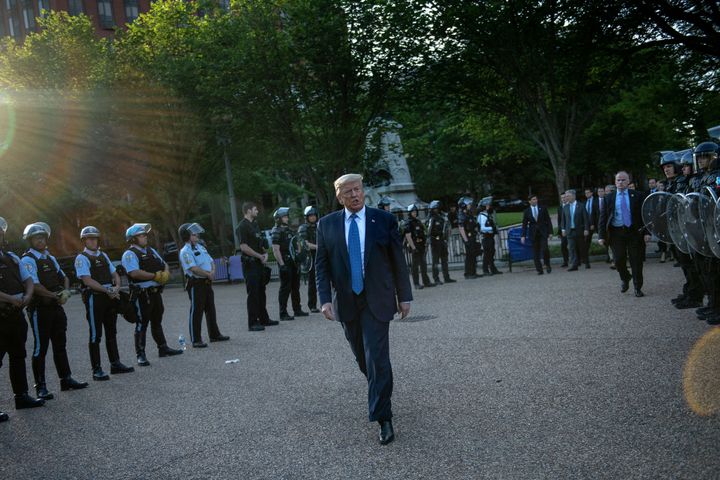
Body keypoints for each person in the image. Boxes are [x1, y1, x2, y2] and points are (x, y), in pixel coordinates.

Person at [315, 173, 412, 445]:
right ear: (339, 196)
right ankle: (382, 390)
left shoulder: (383, 220)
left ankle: (384, 418)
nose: (355, 195)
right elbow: (321, 268)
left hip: (378, 300)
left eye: (357, 190)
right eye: (348, 192)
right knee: (363, 359)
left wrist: (404, 296)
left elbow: (397, 262)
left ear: (363, 191)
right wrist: (324, 300)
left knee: (377, 358)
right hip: (347, 303)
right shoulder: (326, 225)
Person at [21, 222, 88, 399]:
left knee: (60, 345)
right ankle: (40, 387)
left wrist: (65, 291)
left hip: (56, 307)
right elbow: (34, 285)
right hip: (40, 309)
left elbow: (64, 277)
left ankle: (66, 379)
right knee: (40, 348)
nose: (40, 240)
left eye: (43, 237)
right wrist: (54, 295)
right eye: (36, 238)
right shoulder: (28, 259)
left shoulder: (49, 258)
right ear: (30, 240)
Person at [75, 226, 134, 381]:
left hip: (109, 297)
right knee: (96, 334)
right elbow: (87, 280)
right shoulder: (81, 258)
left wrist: (117, 287)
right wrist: (106, 290)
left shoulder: (103, 255)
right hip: (95, 298)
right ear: (84, 241)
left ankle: (115, 364)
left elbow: (114, 273)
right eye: (89, 238)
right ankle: (97, 370)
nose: (93, 241)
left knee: (111, 331)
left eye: (94, 238)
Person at [0, 217, 45, 420]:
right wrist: (10, 298)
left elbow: (27, 279)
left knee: (18, 357)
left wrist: (27, 296)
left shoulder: (12, 257)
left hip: (16, 315)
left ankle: (22, 396)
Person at [122, 223, 183, 366]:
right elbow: (134, 272)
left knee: (157, 321)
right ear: (132, 239)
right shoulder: (129, 254)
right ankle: (140, 354)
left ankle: (163, 348)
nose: (145, 237)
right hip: (142, 294)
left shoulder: (151, 250)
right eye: (141, 235)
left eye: (144, 235)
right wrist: (155, 276)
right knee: (141, 323)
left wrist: (166, 273)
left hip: (155, 293)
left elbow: (164, 264)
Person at [599, 171, 650, 297]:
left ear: (628, 182)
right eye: (618, 180)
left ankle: (638, 287)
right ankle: (626, 277)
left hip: (634, 233)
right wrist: (601, 236)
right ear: (615, 182)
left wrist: (647, 232)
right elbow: (603, 217)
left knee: (636, 261)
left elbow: (644, 215)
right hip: (616, 233)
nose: (620, 182)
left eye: (623, 180)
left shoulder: (638, 195)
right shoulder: (609, 198)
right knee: (618, 260)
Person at [178, 223, 229, 348]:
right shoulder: (185, 251)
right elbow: (193, 268)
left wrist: (212, 271)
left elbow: (211, 261)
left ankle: (214, 335)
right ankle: (196, 339)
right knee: (197, 311)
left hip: (207, 282)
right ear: (187, 236)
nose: (196, 235)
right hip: (196, 284)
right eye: (193, 233)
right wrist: (208, 274)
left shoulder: (200, 247)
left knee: (211, 309)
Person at [237, 202, 277, 331]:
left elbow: (259, 243)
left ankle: (264, 319)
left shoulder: (254, 225)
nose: (257, 211)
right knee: (253, 294)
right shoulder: (242, 226)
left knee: (261, 292)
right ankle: (253, 323)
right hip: (250, 264)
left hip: (259, 264)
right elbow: (243, 247)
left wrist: (264, 254)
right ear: (248, 211)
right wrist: (259, 256)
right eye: (255, 209)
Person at [272, 207, 308, 320]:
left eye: (287, 216)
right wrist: (282, 264)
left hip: (293, 262)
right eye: (285, 216)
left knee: (295, 287)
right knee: (285, 288)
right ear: (279, 218)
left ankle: (297, 309)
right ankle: (283, 313)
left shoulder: (290, 230)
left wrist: (300, 258)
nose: (287, 218)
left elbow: (296, 245)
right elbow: (275, 249)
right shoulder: (276, 231)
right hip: (285, 262)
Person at [404, 204, 434, 289]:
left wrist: (425, 243)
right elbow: (408, 236)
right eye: (413, 212)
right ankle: (416, 284)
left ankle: (426, 282)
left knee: (423, 264)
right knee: (415, 266)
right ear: (410, 213)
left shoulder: (418, 221)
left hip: (421, 245)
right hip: (415, 245)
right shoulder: (408, 223)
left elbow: (424, 233)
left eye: (415, 212)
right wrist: (413, 247)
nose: (414, 213)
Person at [521, 195, 553, 275]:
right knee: (536, 252)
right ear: (529, 201)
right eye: (533, 199)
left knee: (545, 249)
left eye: (536, 199)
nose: (535, 200)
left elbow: (548, 220)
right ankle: (539, 269)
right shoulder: (527, 211)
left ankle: (547, 264)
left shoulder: (543, 208)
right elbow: (524, 224)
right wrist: (523, 235)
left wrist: (550, 232)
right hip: (533, 234)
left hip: (543, 232)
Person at [426, 200, 455, 284]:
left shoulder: (442, 217)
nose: (437, 209)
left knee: (444, 260)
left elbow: (447, 227)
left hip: (442, 240)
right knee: (435, 261)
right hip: (435, 241)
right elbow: (429, 231)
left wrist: (446, 237)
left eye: (437, 208)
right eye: (435, 208)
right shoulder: (431, 218)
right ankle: (436, 278)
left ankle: (447, 277)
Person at [298, 206, 320, 313]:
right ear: (307, 217)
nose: (313, 217)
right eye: (310, 216)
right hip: (310, 257)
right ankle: (312, 305)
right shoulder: (303, 228)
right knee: (312, 282)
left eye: (314, 215)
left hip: (321, 255)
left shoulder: (319, 226)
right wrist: (318, 247)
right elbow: (304, 243)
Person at [561, 190, 590, 271]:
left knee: (582, 247)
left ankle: (586, 261)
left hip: (579, 230)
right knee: (571, 248)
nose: (566, 198)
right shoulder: (565, 207)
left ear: (573, 196)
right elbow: (563, 220)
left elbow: (585, 218)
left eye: (568, 196)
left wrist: (586, 229)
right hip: (569, 231)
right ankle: (574, 265)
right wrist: (563, 229)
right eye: (566, 196)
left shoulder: (581, 206)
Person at [458, 196, 480, 279]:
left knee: (473, 254)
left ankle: (473, 272)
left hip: (472, 236)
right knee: (469, 255)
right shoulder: (462, 214)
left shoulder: (468, 213)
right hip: (468, 237)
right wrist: (466, 240)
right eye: (468, 204)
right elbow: (461, 228)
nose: (470, 205)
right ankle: (468, 273)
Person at [478, 204, 501, 275]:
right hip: (486, 237)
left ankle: (492, 269)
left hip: (490, 236)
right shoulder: (482, 216)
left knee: (491, 253)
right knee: (487, 254)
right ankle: (485, 270)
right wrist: (492, 228)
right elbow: (482, 228)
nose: (489, 207)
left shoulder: (487, 215)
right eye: (487, 206)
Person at [584, 188, 599, 268]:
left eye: (588, 193)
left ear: (591, 193)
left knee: (604, 241)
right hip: (587, 225)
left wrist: (593, 223)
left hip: (596, 224)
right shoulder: (585, 202)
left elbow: (597, 213)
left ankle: (609, 258)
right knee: (586, 243)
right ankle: (586, 261)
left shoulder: (596, 201)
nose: (586, 194)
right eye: (585, 193)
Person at [557, 193, 569, 267]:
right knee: (563, 246)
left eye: (564, 197)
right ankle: (566, 261)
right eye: (562, 198)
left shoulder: (570, 206)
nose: (563, 199)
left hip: (571, 229)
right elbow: (559, 220)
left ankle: (578, 260)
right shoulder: (560, 208)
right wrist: (559, 231)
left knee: (574, 245)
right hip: (563, 230)